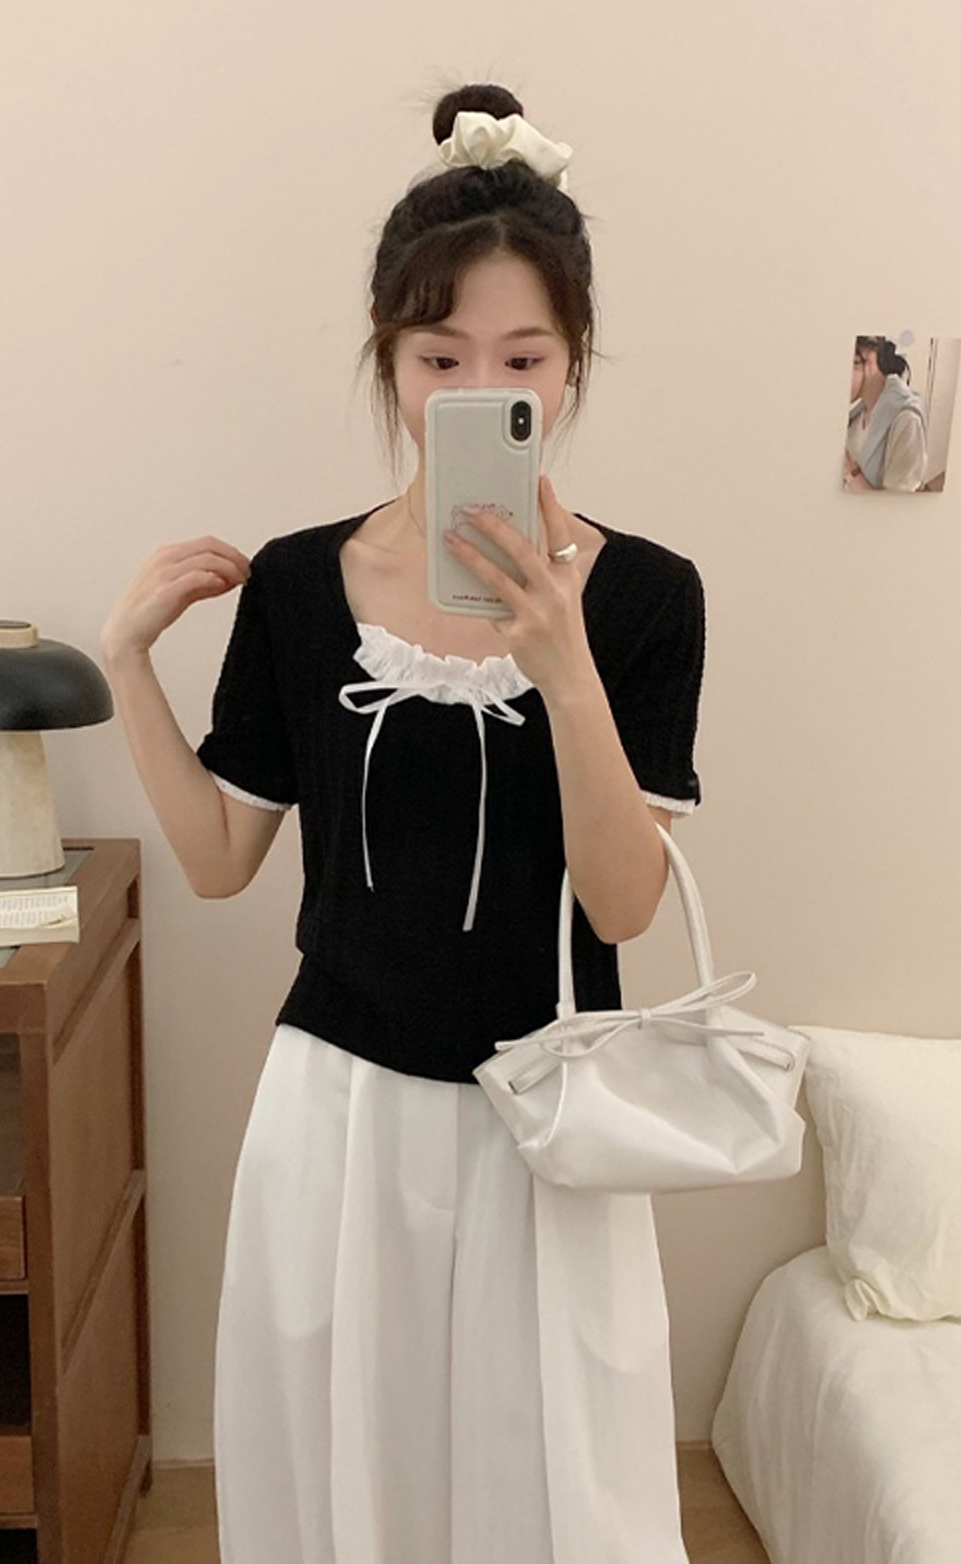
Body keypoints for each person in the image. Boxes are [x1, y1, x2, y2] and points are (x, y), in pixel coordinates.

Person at [100, 82, 705, 1564]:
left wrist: (562, 664)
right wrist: (126, 663)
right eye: (440, 356)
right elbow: (220, 860)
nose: (476, 388)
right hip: (342, 1117)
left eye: (521, 359)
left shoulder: (645, 597)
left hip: (546, 1128)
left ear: (570, 368)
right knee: (346, 1479)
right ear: (388, 356)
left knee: (552, 1491)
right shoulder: (301, 586)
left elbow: (622, 906)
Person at [845, 333, 928, 491]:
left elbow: (896, 503)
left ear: (868, 356)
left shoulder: (906, 421)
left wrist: (851, 473)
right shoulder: (858, 413)